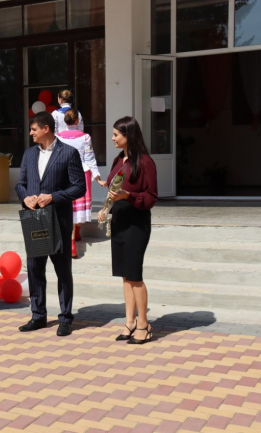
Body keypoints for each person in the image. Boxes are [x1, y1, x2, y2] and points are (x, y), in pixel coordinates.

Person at [15, 112, 85, 336]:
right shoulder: (29, 154)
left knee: (62, 270)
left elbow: (79, 187)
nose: (30, 133)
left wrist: (53, 197)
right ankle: (38, 316)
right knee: (35, 268)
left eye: (34, 129)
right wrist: (25, 197)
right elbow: (20, 184)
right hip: (35, 219)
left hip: (58, 220)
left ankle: (65, 318)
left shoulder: (69, 153)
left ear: (46, 128)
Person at [98, 117, 157, 344]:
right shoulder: (118, 159)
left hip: (136, 223)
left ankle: (144, 324)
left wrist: (128, 196)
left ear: (128, 135)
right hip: (119, 221)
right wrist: (105, 208)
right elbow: (113, 189)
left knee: (134, 275)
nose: (112, 138)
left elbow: (151, 197)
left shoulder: (145, 162)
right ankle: (130, 322)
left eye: (116, 134)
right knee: (124, 275)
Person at [56, 109, 107, 258]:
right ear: (77, 121)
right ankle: (73, 240)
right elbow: (89, 158)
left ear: (65, 121)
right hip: (81, 174)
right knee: (77, 208)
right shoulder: (85, 137)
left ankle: (74, 237)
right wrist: (97, 177)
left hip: (64, 175)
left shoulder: (58, 137)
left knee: (69, 207)